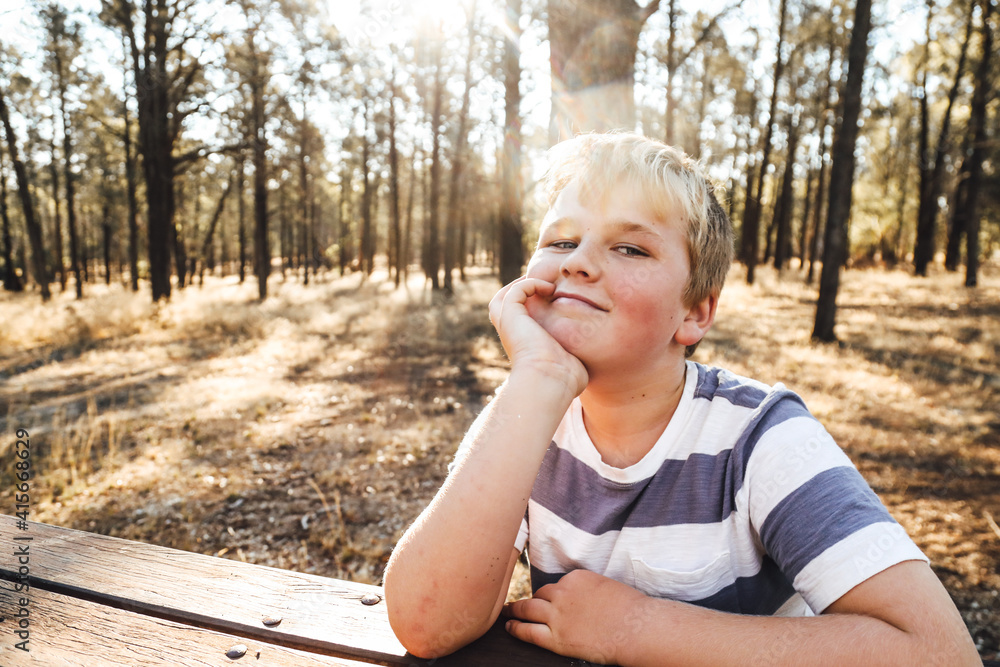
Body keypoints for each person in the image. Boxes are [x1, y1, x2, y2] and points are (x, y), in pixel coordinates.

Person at [382, 132, 981, 665]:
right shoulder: (527, 417)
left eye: (631, 248)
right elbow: (426, 625)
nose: (579, 263)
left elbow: (938, 651)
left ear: (695, 311)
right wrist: (535, 379)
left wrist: (637, 630)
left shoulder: (761, 437)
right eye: (561, 240)